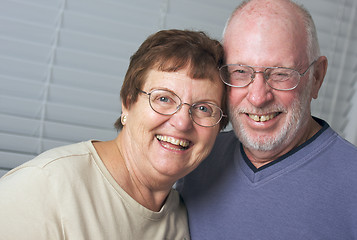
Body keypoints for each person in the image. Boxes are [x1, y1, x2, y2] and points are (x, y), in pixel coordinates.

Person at [0, 29, 228, 239]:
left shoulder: (183, 219)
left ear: (219, 128)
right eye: (164, 98)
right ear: (127, 104)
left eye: (203, 108)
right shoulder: (43, 188)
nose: (181, 122)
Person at [177, 0, 357, 239]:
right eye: (240, 72)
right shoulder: (196, 158)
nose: (258, 97)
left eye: (281, 74)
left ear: (317, 77)